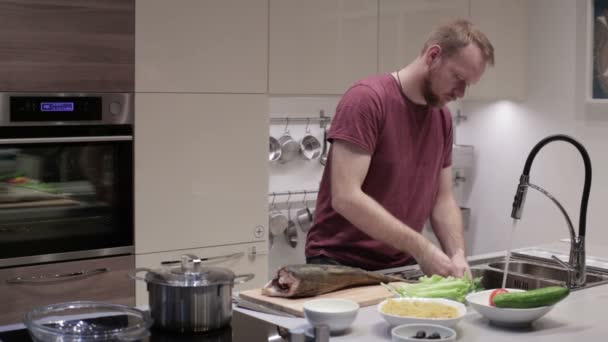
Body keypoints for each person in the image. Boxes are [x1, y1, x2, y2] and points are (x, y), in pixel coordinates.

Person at [305, 19, 494, 277]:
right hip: (339, 264)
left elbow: (443, 199)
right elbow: (346, 197)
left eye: (468, 84)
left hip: (399, 265)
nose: (460, 92)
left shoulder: (442, 118)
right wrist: (422, 248)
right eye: (458, 78)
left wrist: (457, 253)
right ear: (433, 55)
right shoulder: (367, 100)